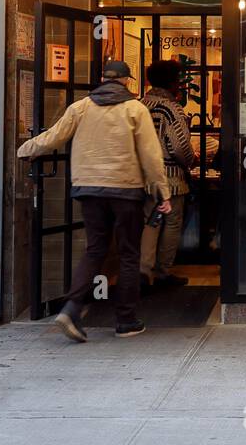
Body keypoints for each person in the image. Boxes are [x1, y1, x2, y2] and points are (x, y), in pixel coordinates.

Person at [17, 59, 170, 342]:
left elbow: (53, 136)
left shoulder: (81, 107)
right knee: (128, 254)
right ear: (126, 81)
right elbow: (151, 156)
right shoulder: (135, 109)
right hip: (126, 190)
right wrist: (162, 192)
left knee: (95, 249)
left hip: (88, 189)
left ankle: (72, 307)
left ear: (103, 79)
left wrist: (25, 148)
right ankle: (126, 320)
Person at [140, 59, 196, 289]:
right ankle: (162, 271)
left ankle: (143, 271)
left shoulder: (140, 104)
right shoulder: (171, 109)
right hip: (169, 175)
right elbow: (180, 147)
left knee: (149, 221)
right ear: (173, 82)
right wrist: (190, 162)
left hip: (143, 174)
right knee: (171, 222)